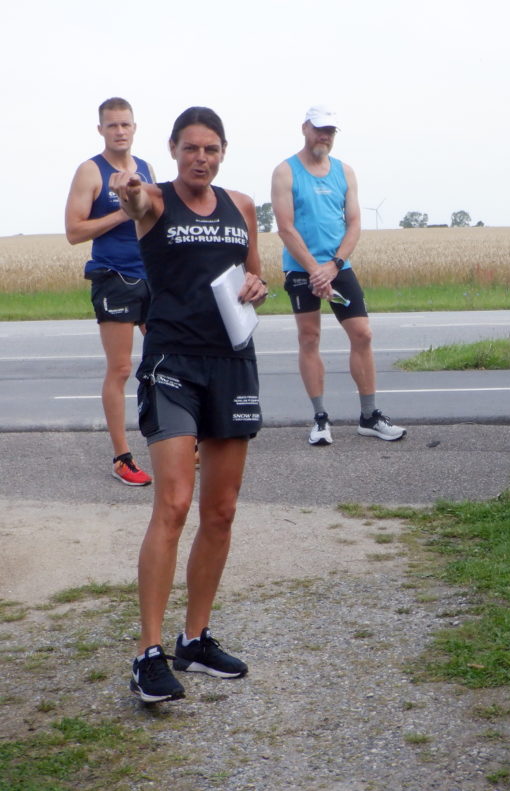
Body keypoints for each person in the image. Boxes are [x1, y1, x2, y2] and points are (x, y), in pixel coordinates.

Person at [112, 107, 269, 704]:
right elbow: (135, 203)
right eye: (190, 148)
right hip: (172, 364)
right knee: (175, 503)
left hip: (231, 363)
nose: (200, 158)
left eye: (211, 149)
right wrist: (128, 191)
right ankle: (147, 654)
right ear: (173, 149)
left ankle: (194, 639)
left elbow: (254, 279)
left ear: (223, 152)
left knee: (222, 510)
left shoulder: (242, 206)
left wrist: (258, 286)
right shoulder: (155, 199)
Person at [271, 105, 405, 446]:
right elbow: (285, 227)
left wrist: (333, 265)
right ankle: (320, 418)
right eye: (319, 129)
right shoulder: (286, 172)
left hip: (338, 267)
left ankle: (369, 416)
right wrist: (315, 270)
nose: (324, 136)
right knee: (310, 338)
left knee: (362, 333)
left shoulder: (345, 172)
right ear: (305, 129)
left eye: (330, 131)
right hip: (302, 270)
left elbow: (355, 223)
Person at [65, 97, 155, 486]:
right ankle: (122, 458)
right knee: (120, 369)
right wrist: (124, 209)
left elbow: (154, 218)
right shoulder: (91, 171)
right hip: (114, 277)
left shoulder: (147, 169)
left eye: (126, 125)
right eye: (112, 125)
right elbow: (73, 231)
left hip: (151, 276)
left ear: (135, 128)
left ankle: (178, 442)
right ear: (100, 129)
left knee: (166, 363)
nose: (120, 131)